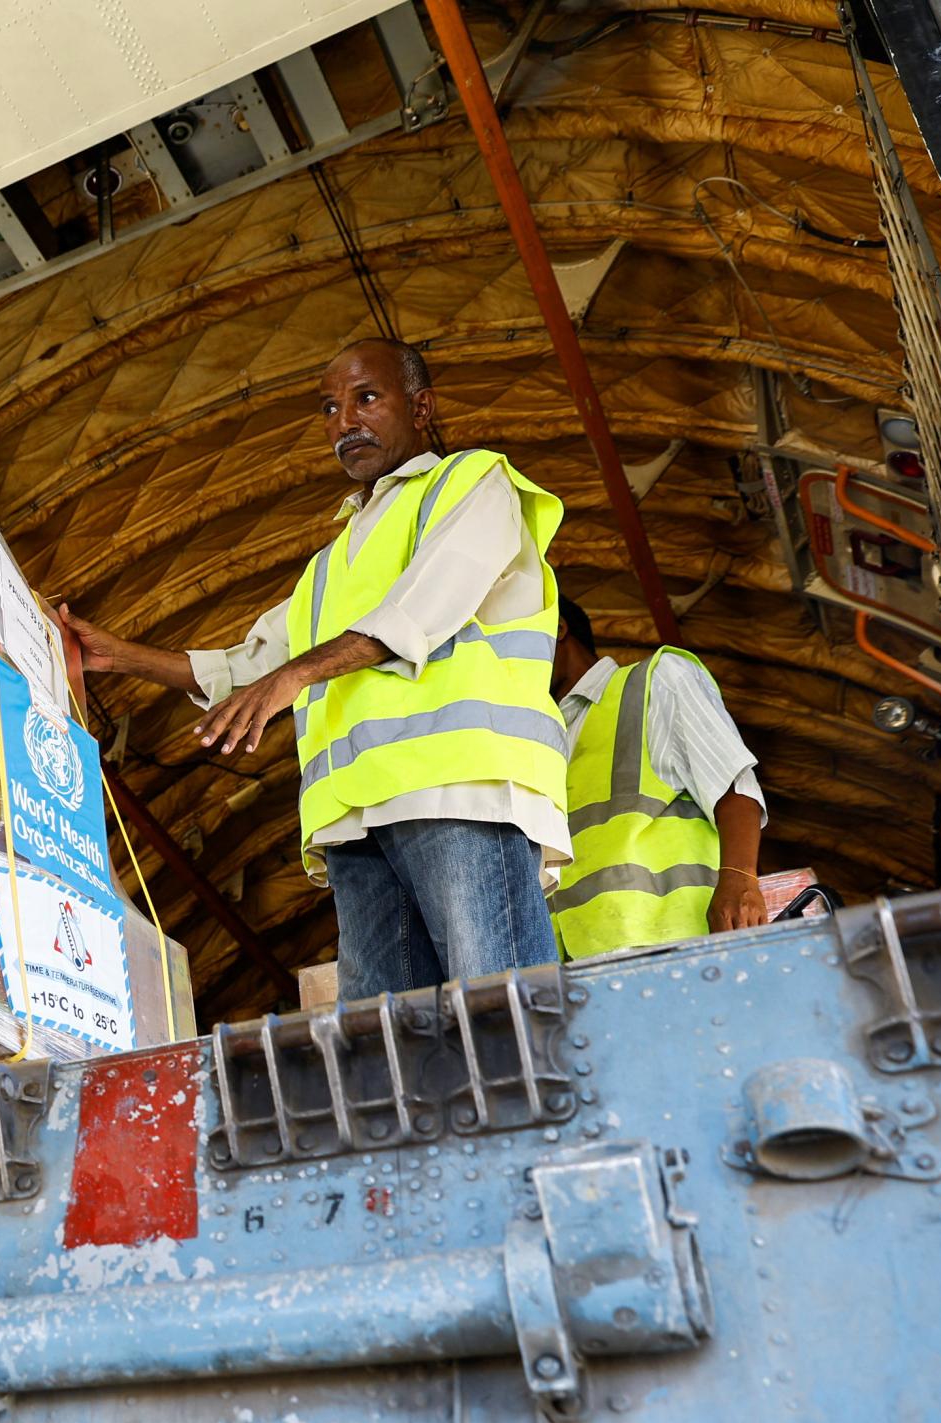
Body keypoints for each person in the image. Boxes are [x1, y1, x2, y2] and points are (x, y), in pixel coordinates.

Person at [57, 337, 569, 999]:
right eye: (329, 408)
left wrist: (292, 678)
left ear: (422, 407)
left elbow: (425, 606)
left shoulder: (471, 483)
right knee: (391, 1043)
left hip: (461, 792)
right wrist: (117, 656)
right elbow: (248, 665)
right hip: (356, 824)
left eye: (366, 397)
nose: (344, 421)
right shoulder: (326, 569)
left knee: (500, 1008)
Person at [549, 597, 768, 957]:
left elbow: (733, 785)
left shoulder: (656, 681)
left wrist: (740, 880)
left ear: (558, 627)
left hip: (675, 947)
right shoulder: (538, 742)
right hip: (577, 967)